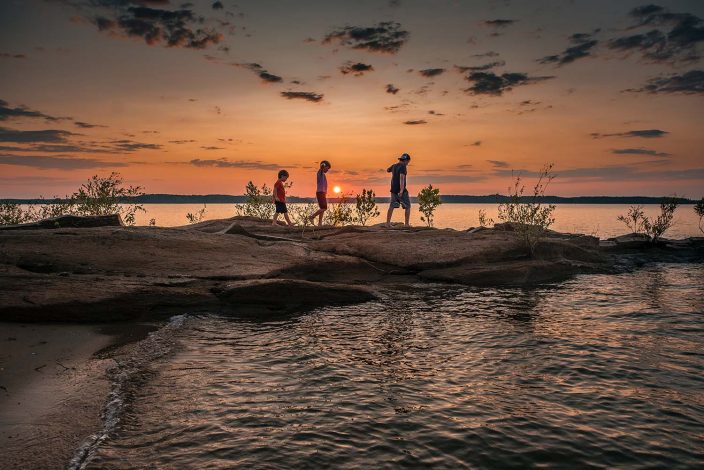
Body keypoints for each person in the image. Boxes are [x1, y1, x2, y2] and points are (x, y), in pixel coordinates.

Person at [386, 153, 411, 227]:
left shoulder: (394, 166)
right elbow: (402, 178)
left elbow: (387, 170)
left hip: (393, 189)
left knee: (392, 206)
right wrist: (401, 190)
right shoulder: (403, 166)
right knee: (408, 206)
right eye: (408, 162)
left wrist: (393, 169)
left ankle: (387, 223)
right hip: (400, 190)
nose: (407, 164)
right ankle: (406, 224)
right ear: (406, 160)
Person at [309, 160, 331, 226]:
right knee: (324, 208)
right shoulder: (320, 173)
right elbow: (322, 167)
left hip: (322, 193)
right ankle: (312, 217)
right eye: (327, 168)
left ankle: (320, 223)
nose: (328, 170)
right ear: (324, 166)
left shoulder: (323, 175)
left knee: (322, 209)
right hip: (320, 192)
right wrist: (323, 165)